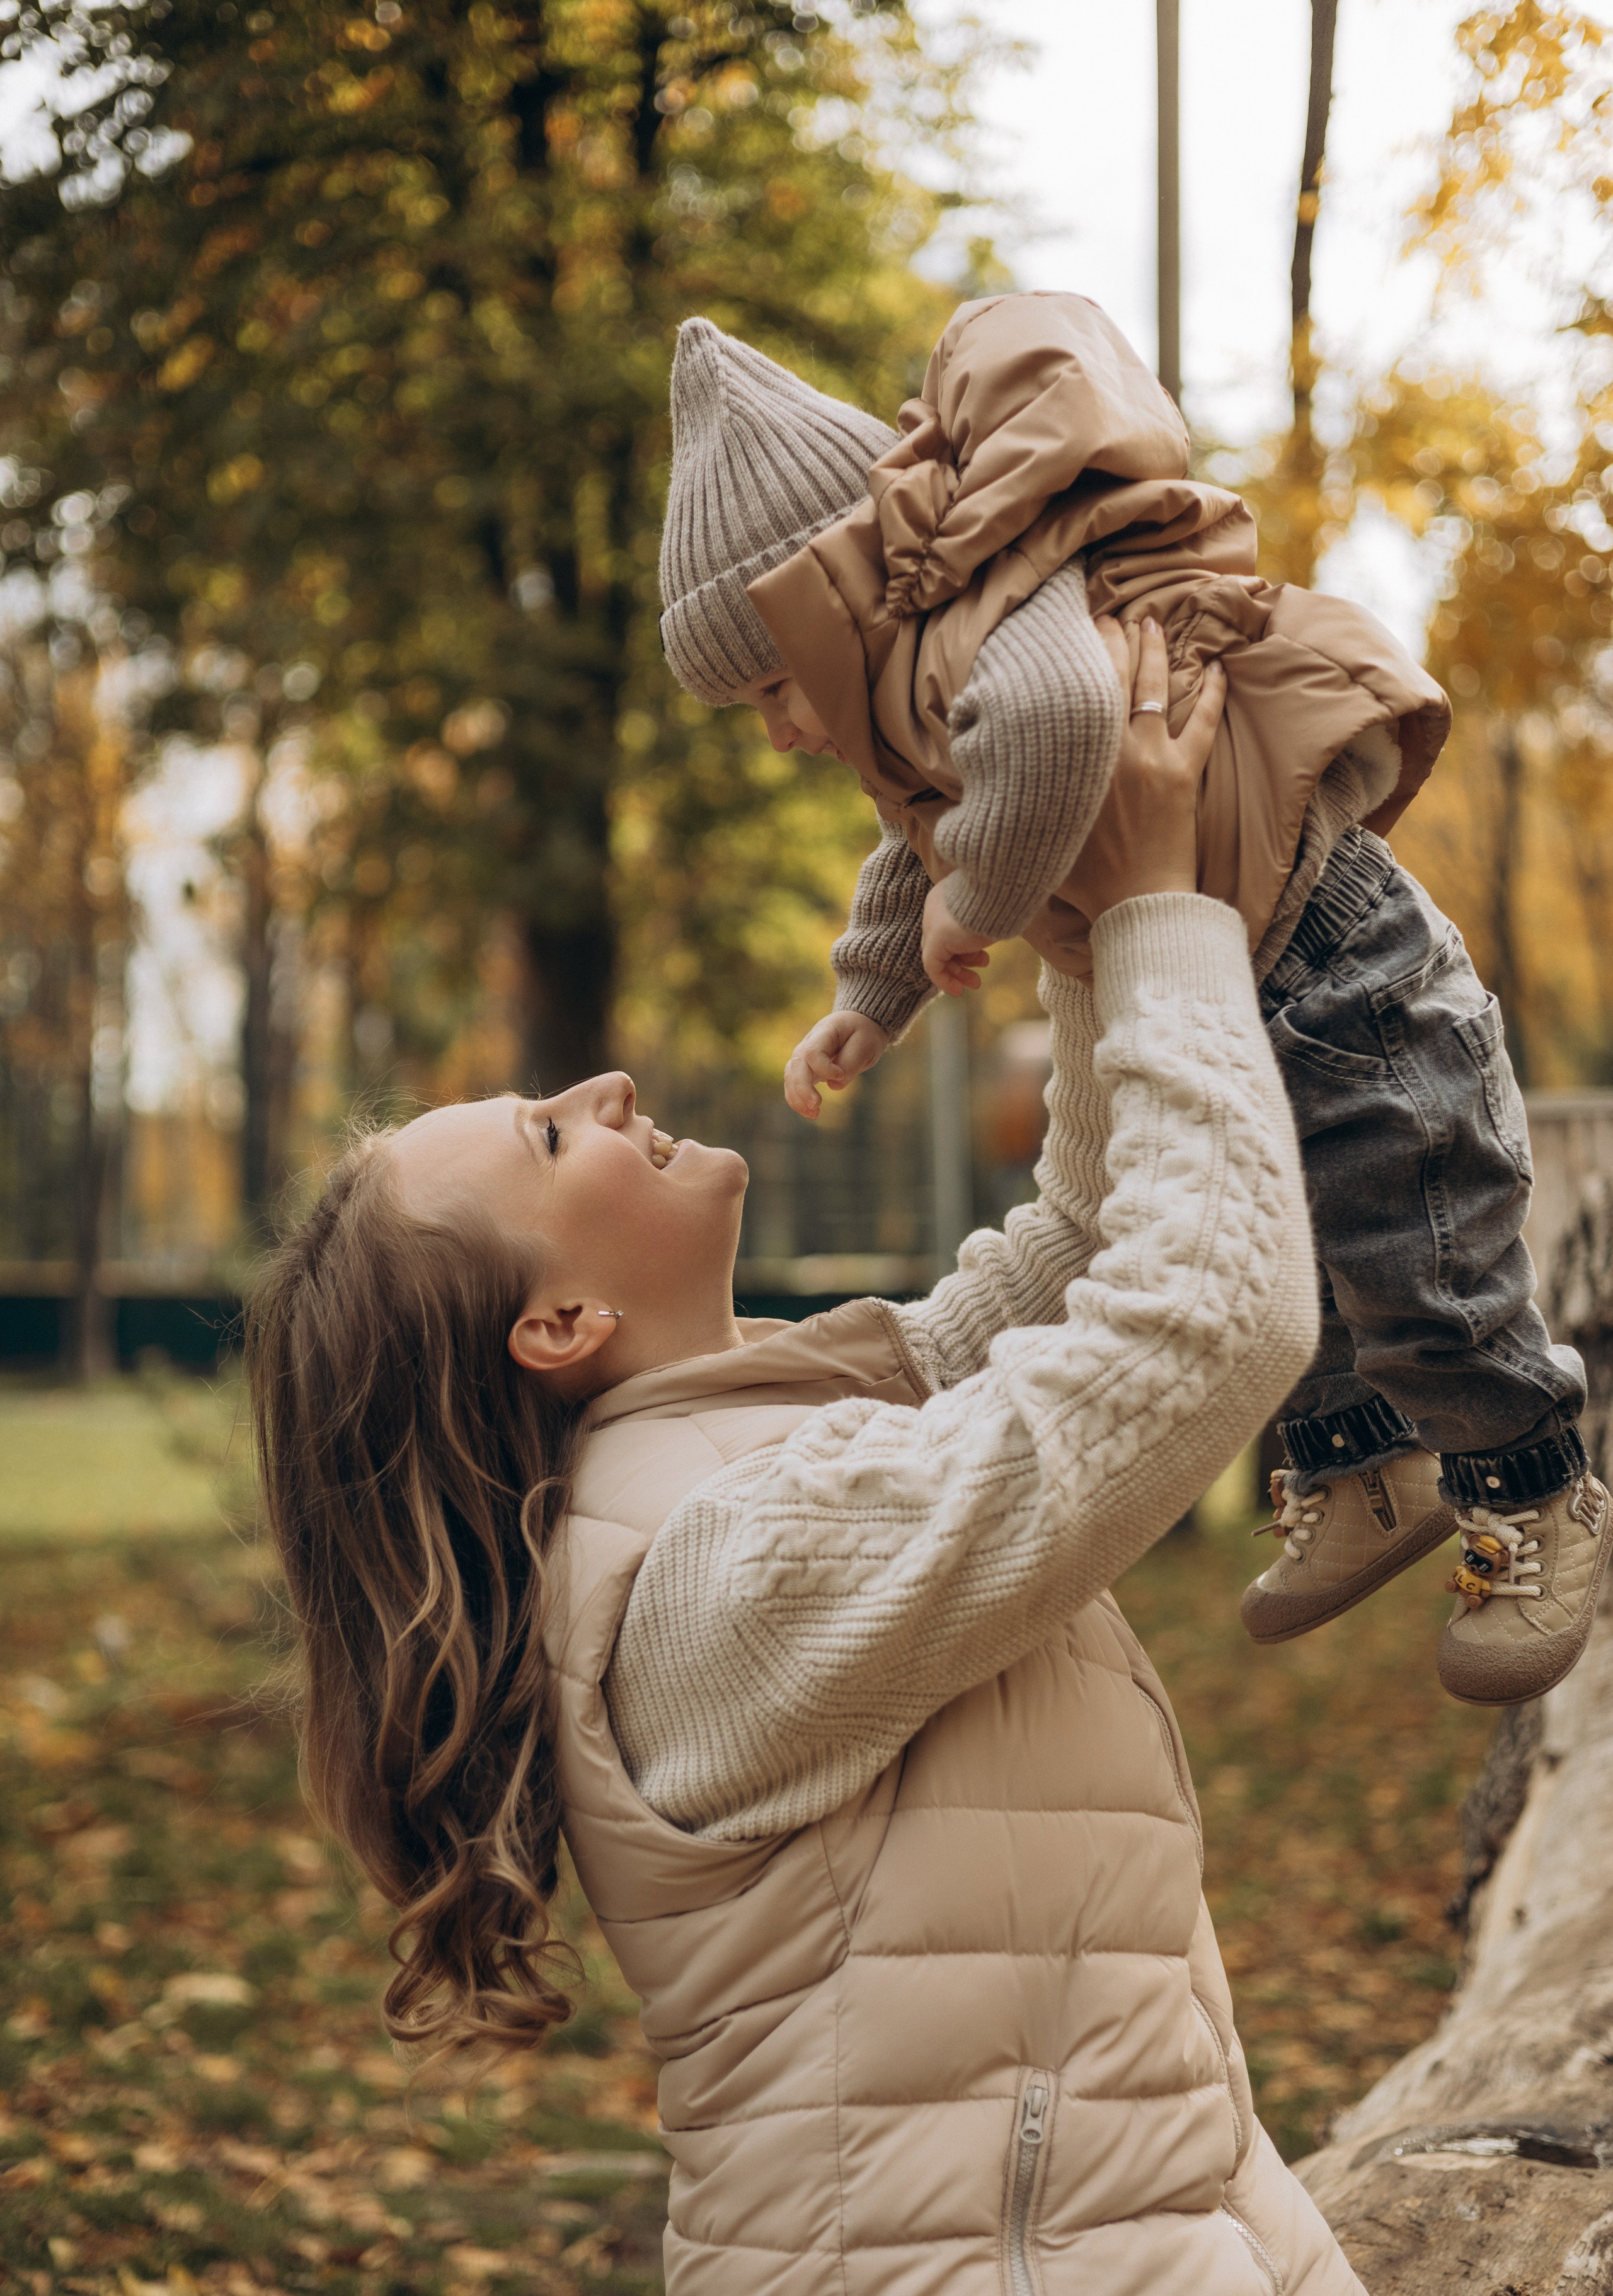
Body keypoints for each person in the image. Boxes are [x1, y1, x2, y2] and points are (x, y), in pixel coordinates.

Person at [248, 635, 1466, 2296]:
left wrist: (1070, 868)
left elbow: (1083, 1241)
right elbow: (1206, 1320)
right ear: (561, 1327)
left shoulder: (803, 1418)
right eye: (543, 1133)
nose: (603, 1091)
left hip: (1218, 2290)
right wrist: (1156, 923)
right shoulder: (724, 1581)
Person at [657, 295, 1610, 1713]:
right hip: (1237, 958)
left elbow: (1051, 730)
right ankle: (1364, 1469)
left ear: (822, 599)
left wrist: (974, 907)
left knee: (1406, 1254)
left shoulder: (992, 623)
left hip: (1333, 958)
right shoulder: (917, 678)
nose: (784, 730)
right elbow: (916, 831)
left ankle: (1533, 1486)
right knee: (1266, 1224)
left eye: (769, 688)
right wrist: (876, 988)